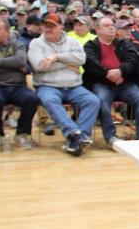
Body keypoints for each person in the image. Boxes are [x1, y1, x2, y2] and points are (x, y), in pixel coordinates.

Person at [28, 12, 101, 156]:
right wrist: (67, 64)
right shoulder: (36, 43)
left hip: (73, 86)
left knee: (93, 101)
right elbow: (39, 66)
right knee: (50, 99)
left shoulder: (72, 42)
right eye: (45, 26)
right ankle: (73, 133)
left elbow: (81, 59)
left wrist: (55, 57)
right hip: (47, 85)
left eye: (52, 26)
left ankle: (79, 137)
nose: (48, 29)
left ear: (60, 27)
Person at [83, 17, 139, 148]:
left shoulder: (123, 43)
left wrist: (120, 71)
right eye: (107, 25)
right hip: (102, 84)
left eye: (112, 25)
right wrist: (110, 74)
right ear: (97, 30)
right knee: (102, 101)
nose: (111, 28)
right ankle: (110, 137)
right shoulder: (90, 45)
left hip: (124, 82)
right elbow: (91, 64)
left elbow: (133, 59)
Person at [0, 17, 39, 151]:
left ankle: (22, 134)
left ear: (7, 31)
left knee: (32, 99)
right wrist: (13, 65)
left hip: (17, 86)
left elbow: (21, 61)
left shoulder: (18, 44)